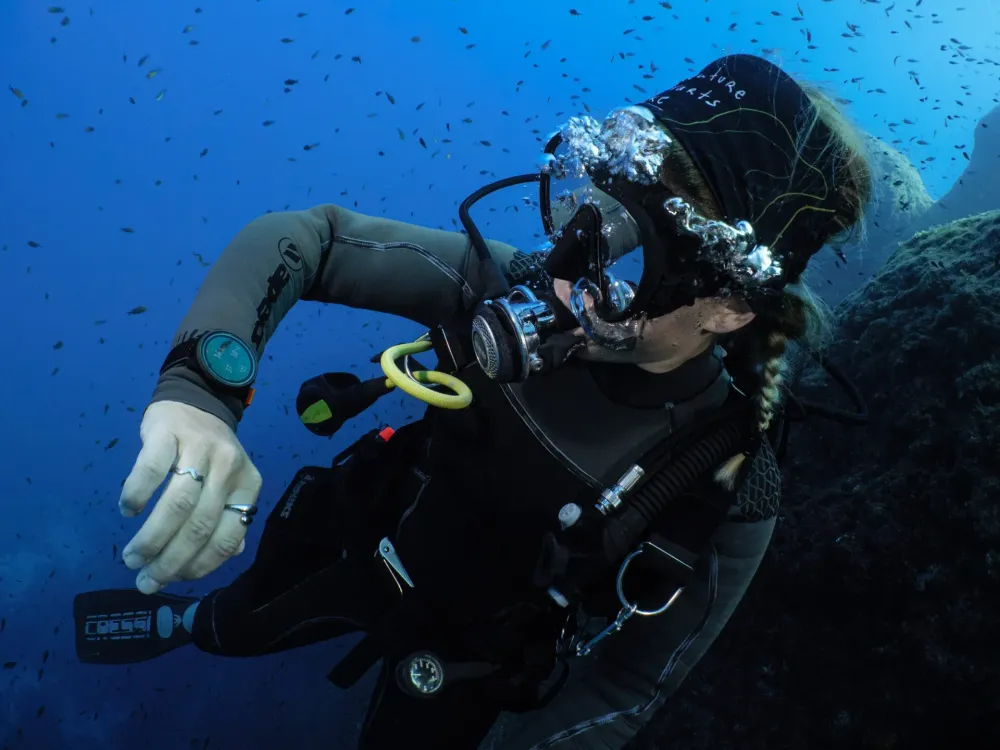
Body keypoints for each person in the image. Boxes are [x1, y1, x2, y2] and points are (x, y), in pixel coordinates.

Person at [74, 54, 872, 750]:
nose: (565, 274)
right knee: (233, 626)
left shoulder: (729, 482)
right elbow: (307, 238)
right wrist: (202, 393)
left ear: (731, 304)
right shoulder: (514, 279)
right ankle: (187, 627)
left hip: (465, 660)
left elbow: (628, 689)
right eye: (582, 209)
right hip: (365, 531)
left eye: (630, 260)